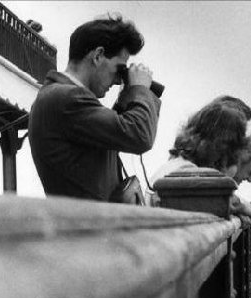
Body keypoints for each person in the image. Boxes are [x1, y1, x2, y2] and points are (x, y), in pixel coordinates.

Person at [28, 14, 161, 201]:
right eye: (119, 69)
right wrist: (139, 89)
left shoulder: (59, 97)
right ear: (98, 56)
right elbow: (139, 136)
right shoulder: (66, 99)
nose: (117, 80)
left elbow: (115, 134)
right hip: (87, 226)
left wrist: (129, 95)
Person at [151, 100, 251, 226]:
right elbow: (222, 200)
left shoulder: (181, 165)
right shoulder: (185, 171)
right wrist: (249, 211)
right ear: (222, 149)